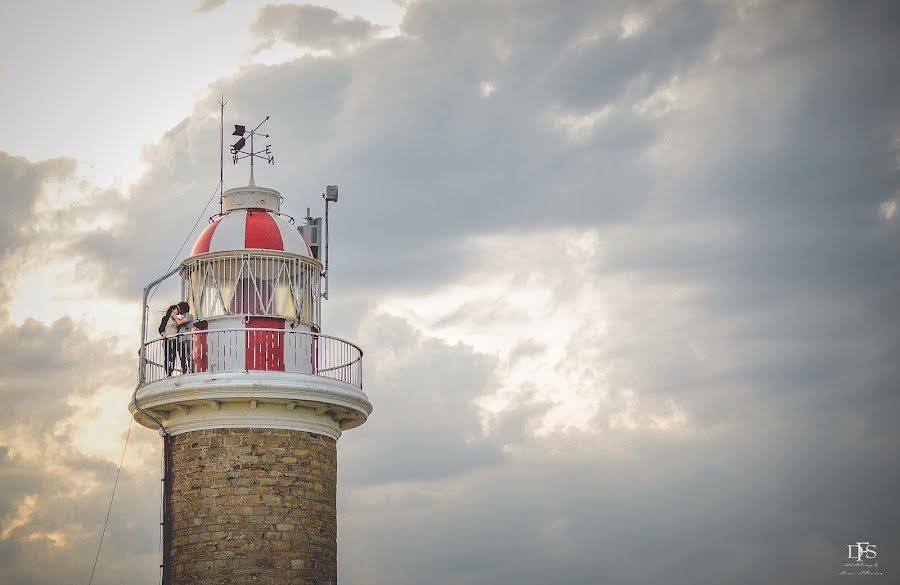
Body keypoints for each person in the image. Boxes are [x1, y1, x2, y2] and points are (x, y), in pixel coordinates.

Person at [172, 301, 195, 374]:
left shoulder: (189, 316)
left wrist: (174, 317)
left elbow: (179, 323)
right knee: (182, 357)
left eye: (179, 308)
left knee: (189, 356)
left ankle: (192, 371)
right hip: (180, 340)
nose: (178, 310)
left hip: (187, 339)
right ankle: (184, 371)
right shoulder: (182, 318)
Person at [161, 304, 179, 376]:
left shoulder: (178, 318)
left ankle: (171, 371)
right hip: (167, 339)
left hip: (174, 339)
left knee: (173, 356)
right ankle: (167, 372)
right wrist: (163, 334)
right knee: (167, 356)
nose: (178, 310)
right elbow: (161, 328)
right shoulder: (166, 318)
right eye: (176, 309)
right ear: (173, 310)